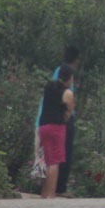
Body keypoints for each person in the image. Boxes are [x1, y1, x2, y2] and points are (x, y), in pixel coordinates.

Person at [36, 46, 80, 196]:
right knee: (56, 160)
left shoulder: (49, 86)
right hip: (57, 126)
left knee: (47, 159)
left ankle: (44, 192)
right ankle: (54, 192)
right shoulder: (67, 91)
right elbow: (68, 111)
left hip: (44, 125)